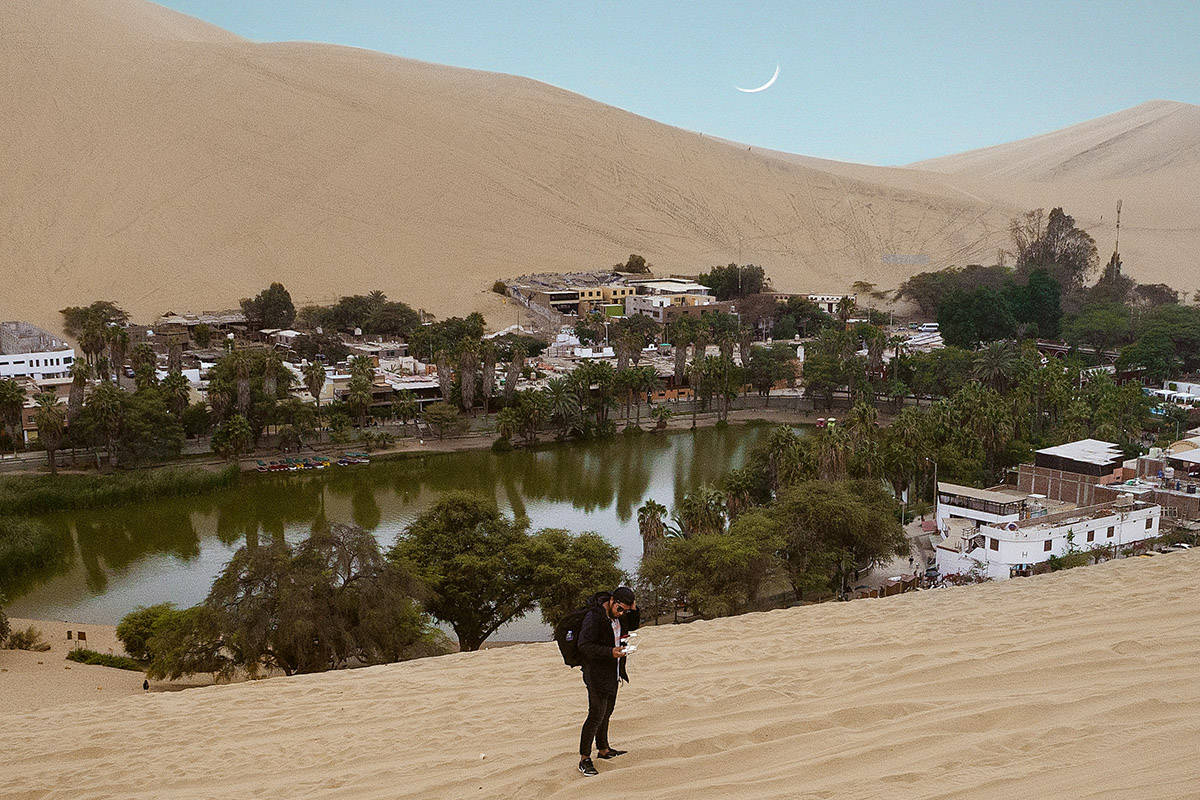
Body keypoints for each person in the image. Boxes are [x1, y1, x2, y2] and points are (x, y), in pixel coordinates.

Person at [576, 586, 639, 777]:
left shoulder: (621, 616)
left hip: (614, 671)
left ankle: (603, 749)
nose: (622, 614)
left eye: (625, 611)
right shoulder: (595, 617)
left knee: (607, 712)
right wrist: (609, 652)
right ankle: (584, 758)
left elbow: (634, 624)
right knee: (596, 714)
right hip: (595, 673)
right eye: (620, 609)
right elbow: (584, 646)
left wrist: (634, 610)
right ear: (612, 601)